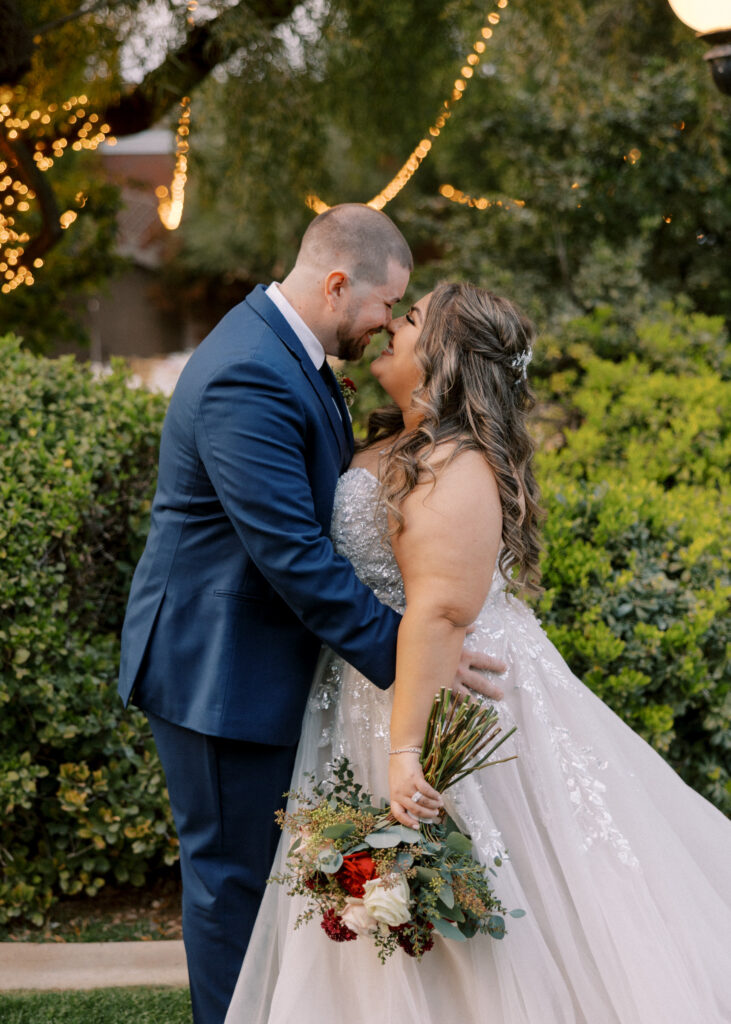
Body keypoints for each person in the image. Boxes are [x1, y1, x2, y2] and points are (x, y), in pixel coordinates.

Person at [225, 281, 731, 1024]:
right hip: (369, 692)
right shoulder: (397, 441)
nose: (393, 324)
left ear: (447, 357)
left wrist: (406, 751)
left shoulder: (452, 462)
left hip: (443, 701)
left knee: (478, 890)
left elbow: (439, 611)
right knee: (387, 905)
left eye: (413, 317)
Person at [117, 208, 505, 1024]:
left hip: (263, 664)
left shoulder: (290, 353)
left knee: (273, 886)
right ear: (336, 284)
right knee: (231, 883)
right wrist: (409, 659)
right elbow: (290, 552)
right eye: (385, 307)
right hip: (217, 673)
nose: (390, 325)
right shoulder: (247, 371)